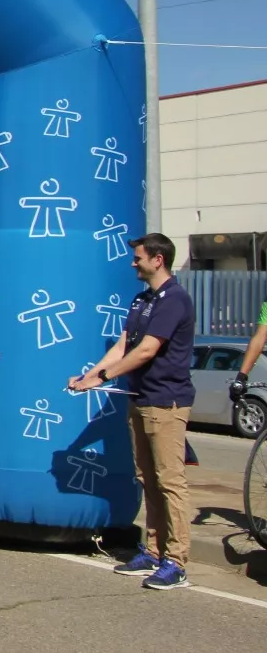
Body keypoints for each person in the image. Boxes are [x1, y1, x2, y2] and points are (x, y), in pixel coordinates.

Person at [70, 233, 196, 591]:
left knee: (170, 482)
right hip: (139, 398)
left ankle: (177, 561)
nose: (132, 263)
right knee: (148, 479)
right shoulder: (142, 300)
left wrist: (105, 377)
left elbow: (147, 351)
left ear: (158, 259)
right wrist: (88, 376)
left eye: (138, 257)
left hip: (166, 401)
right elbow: (126, 345)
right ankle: (155, 552)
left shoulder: (175, 300)